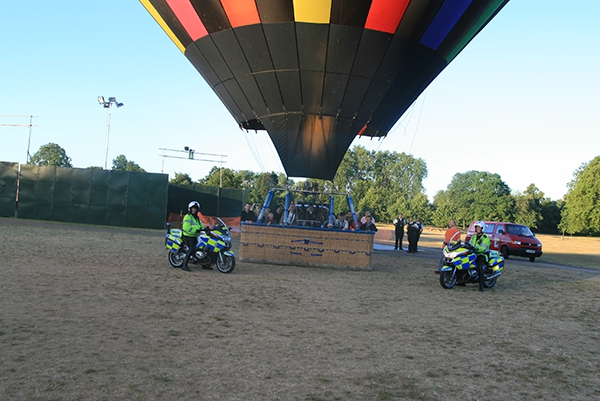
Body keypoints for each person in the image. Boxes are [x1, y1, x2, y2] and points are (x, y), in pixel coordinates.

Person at [181, 201, 208, 272]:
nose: (194, 209)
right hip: (187, 236)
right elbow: (186, 227)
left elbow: (201, 225)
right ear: (190, 209)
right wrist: (196, 230)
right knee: (192, 248)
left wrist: (206, 228)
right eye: (193, 208)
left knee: (204, 247)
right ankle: (184, 265)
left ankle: (205, 264)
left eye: (195, 208)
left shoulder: (197, 218)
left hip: (194, 236)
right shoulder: (188, 217)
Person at [469, 220, 491, 291]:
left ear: (482, 228)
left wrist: (476, 247)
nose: (478, 229)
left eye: (479, 227)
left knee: (480, 267)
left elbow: (484, 248)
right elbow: (470, 243)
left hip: (482, 255)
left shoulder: (485, 238)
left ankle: (481, 285)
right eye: (476, 227)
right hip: (473, 254)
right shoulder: (473, 236)